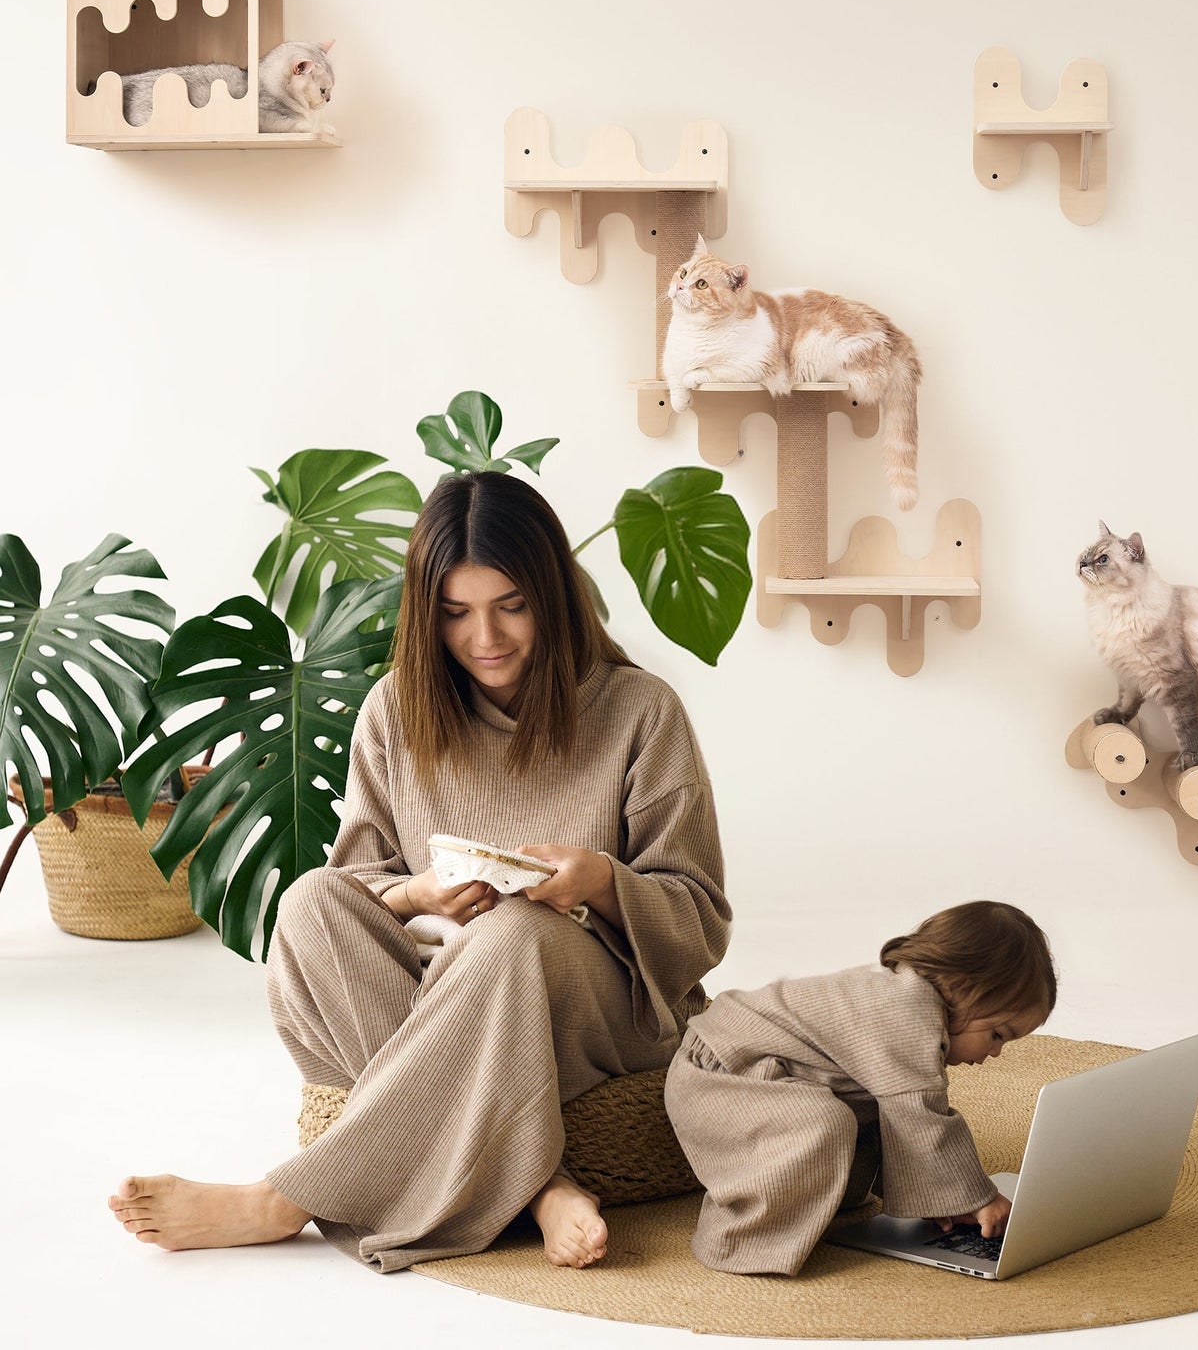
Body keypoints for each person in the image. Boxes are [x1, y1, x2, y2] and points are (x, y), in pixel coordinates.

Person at [109, 470, 731, 1272]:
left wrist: (599, 879)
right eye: (456, 612)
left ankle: (285, 1198)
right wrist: (418, 893)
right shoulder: (396, 710)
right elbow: (360, 885)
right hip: (437, 991)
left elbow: (702, 917)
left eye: (511, 604)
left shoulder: (640, 711)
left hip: (595, 1011)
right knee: (308, 902)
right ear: (425, 612)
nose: (486, 638)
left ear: (553, 594)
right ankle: (542, 1181)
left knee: (510, 937)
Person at [663, 900, 1056, 1276]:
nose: (997, 1052)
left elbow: (903, 1119)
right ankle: (738, 1242)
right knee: (822, 1123)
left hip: (761, 1068)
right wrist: (977, 1197)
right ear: (959, 988)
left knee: (861, 1110)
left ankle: (825, 1202)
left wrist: (947, 1196)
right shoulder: (906, 1013)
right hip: (719, 1075)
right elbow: (921, 1116)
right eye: (997, 1034)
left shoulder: (913, 1003)